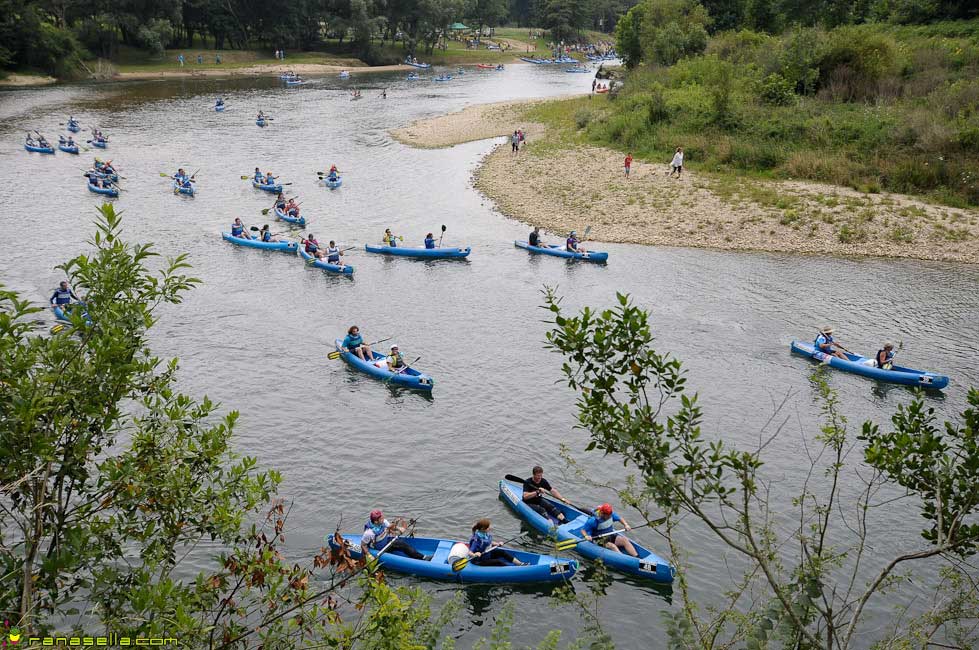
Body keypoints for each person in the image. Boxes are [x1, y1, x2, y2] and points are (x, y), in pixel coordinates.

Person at [361, 510, 429, 561]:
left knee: (402, 543)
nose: (383, 519)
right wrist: (369, 555)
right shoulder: (369, 533)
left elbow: (391, 527)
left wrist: (400, 529)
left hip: (386, 542)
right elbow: (363, 545)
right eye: (381, 518)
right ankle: (423, 558)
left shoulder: (383, 522)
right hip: (378, 549)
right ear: (376, 521)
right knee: (402, 544)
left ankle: (418, 555)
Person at [462, 519, 528, 567]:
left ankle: (520, 564)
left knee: (502, 552)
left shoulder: (485, 534)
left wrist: (497, 544)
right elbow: (470, 552)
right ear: (482, 528)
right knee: (497, 562)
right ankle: (512, 570)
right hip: (479, 560)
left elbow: (488, 542)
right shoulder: (476, 540)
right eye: (488, 527)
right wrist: (475, 554)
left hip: (487, 554)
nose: (490, 528)